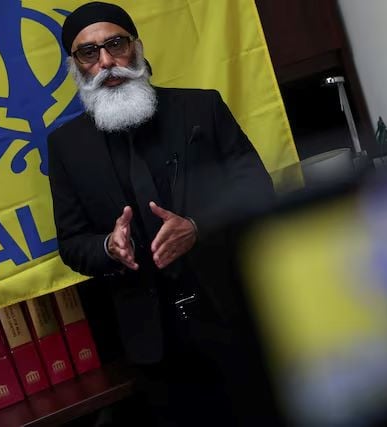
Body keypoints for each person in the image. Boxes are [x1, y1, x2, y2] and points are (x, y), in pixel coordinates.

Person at [47, 2, 276, 425]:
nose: (106, 62)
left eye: (116, 44)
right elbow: (72, 243)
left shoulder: (200, 109)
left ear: (136, 47)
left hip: (235, 316)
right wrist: (108, 247)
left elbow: (255, 189)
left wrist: (197, 226)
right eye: (89, 53)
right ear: (76, 66)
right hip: (153, 343)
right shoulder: (67, 147)